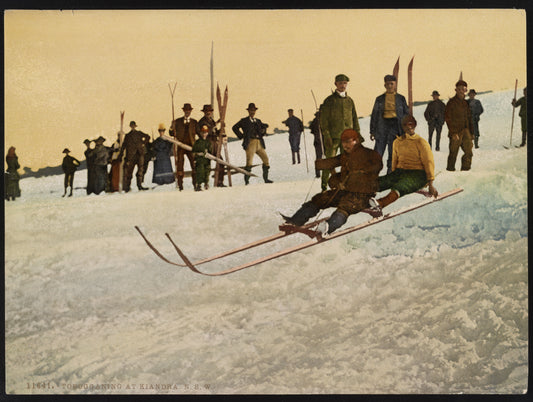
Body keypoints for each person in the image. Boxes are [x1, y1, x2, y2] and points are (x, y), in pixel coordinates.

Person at [282, 129, 382, 236]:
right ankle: (295, 221)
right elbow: (333, 161)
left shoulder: (369, 154)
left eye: (348, 142)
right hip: (345, 191)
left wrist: (359, 174)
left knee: (346, 206)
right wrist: (321, 164)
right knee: (320, 199)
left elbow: (377, 166)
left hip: (362, 194)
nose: (345, 145)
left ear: (356, 141)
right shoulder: (345, 156)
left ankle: (327, 228)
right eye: (343, 142)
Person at [368, 115, 438, 216]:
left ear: (415, 125)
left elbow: (429, 162)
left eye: (412, 125)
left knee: (400, 186)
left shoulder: (421, 142)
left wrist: (430, 183)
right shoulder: (397, 142)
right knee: (381, 182)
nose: (409, 128)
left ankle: (380, 204)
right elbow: (394, 160)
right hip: (401, 171)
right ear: (403, 127)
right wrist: (392, 175)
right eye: (406, 125)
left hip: (418, 174)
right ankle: (361, 200)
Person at [319, 74, 363, 191]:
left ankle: (346, 185)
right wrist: (327, 135)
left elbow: (354, 118)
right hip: (333, 138)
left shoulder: (350, 101)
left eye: (345, 83)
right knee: (329, 162)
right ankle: (324, 186)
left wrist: (357, 134)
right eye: (340, 83)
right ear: (335, 84)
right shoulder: (329, 101)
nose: (343, 85)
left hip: (348, 139)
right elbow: (323, 121)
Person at [370, 74, 409, 174]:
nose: (390, 86)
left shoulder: (401, 99)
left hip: (395, 128)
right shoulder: (379, 99)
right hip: (382, 127)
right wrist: (372, 131)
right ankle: (372, 177)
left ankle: (390, 176)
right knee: (377, 155)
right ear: (384, 85)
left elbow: (406, 115)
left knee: (393, 155)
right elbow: (374, 115)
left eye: (391, 84)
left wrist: (407, 131)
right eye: (387, 84)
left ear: (395, 85)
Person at [232, 103, 273, 185]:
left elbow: (263, 129)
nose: (252, 112)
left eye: (254, 110)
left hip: (259, 143)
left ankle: (266, 179)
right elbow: (234, 127)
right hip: (250, 143)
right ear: (248, 111)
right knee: (249, 163)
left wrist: (263, 130)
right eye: (251, 110)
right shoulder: (244, 121)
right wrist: (242, 136)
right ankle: (246, 181)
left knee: (266, 160)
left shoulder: (258, 121)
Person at [445, 80, 474, 171]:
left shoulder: (466, 103)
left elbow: (470, 119)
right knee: (453, 154)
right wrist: (453, 133)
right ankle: (450, 171)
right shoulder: (451, 103)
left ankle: (465, 171)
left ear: (466, 90)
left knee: (469, 152)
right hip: (456, 133)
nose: (462, 91)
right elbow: (448, 119)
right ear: (456, 90)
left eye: (464, 89)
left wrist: (472, 133)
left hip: (466, 131)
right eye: (460, 89)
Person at [170, 103, 198, 191]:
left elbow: (200, 134)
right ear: (183, 111)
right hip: (181, 146)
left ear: (191, 111)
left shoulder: (194, 122)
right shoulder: (177, 121)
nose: (187, 112)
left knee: (194, 166)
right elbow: (171, 134)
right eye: (186, 110)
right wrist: (172, 128)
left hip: (191, 147)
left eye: (189, 110)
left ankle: (195, 184)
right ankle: (180, 186)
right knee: (180, 166)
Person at [117, 121, 151, 192]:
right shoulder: (127, 136)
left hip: (140, 155)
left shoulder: (139, 133)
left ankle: (140, 186)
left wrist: (143, 143)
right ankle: (127, 187)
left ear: (135, 126)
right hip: (131, 156)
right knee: (129, 172)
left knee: (140, 171)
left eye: (134, 126)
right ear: (130, 126)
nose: (133, 127)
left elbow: (148, 137)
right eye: (132, 126)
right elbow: (123, 146)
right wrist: (120, 155)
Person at [197, 104, 225, 187]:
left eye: (209, 111)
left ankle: (219, 182)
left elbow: (215, 132)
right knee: (206, 164)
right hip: (207, 144)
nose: (208, 113)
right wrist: (212, 128)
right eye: (206, 112)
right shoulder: (202, 122)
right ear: (204, 112)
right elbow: (201, 133)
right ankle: (203, 184)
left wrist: (221, 129)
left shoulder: (212, 121)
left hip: (215, 143)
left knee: (221, 162)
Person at [192, 125, 212, 191]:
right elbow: (194, 152)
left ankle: (206, 184)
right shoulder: (197, 142)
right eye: (203, 132)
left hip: (206, 160)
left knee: (207, 172)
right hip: (199, 161)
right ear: (200, 133)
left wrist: (208, 154)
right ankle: (199, 185)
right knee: (200, 172)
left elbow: (210, 151)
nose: (204, 134)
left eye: (205, 132)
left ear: (207, 133)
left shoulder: (208, 142)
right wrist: (197, 155)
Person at [310, 111, 323, 178]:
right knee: (320, 157)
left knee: (319, 157)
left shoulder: (315, 121)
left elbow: (311, 130)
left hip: (318, 141)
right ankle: (318, 173)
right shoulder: (321, 121)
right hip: (320, 142)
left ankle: (318, 173)